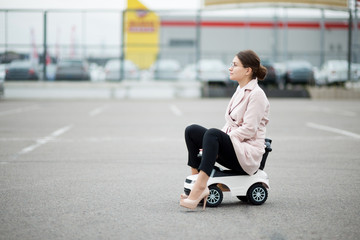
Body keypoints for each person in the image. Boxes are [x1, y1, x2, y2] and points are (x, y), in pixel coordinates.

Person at [180, 50, 270, 210]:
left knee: (213, 134)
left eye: (235, 65)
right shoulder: (240, 89)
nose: (230, 68)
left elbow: (249, 130)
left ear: (248, 70)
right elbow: (228, 126)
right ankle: (195, 182)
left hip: (246, 155)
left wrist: (222, 141)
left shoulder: (257, 95)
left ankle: (201, 188)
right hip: (235, 147)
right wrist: (216, 143)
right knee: (191, 131)